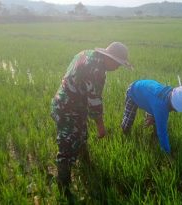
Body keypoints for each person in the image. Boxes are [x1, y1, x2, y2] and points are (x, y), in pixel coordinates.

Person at [50, 42, 132, 201]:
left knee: (81, 134)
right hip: (66, 107)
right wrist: (101, 127)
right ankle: (63, 186)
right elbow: (94, 101)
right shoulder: (97, 71)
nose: (118, 67)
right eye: (118, 64)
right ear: (110, 58)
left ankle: (86, 163)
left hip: (75, 104)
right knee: (66, 145)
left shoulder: (87, 53)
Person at [121, 79, 182, 154]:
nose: (175, 111)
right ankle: (124, 133)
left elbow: (155, 102)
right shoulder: (161, 107)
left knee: (156, 118)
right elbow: (162, 132)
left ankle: (154, 134)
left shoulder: (168, 92)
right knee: (128, 119)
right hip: (133, 92)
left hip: (148, 95)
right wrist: (167, 153)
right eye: (175, 109)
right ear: (173, 105)